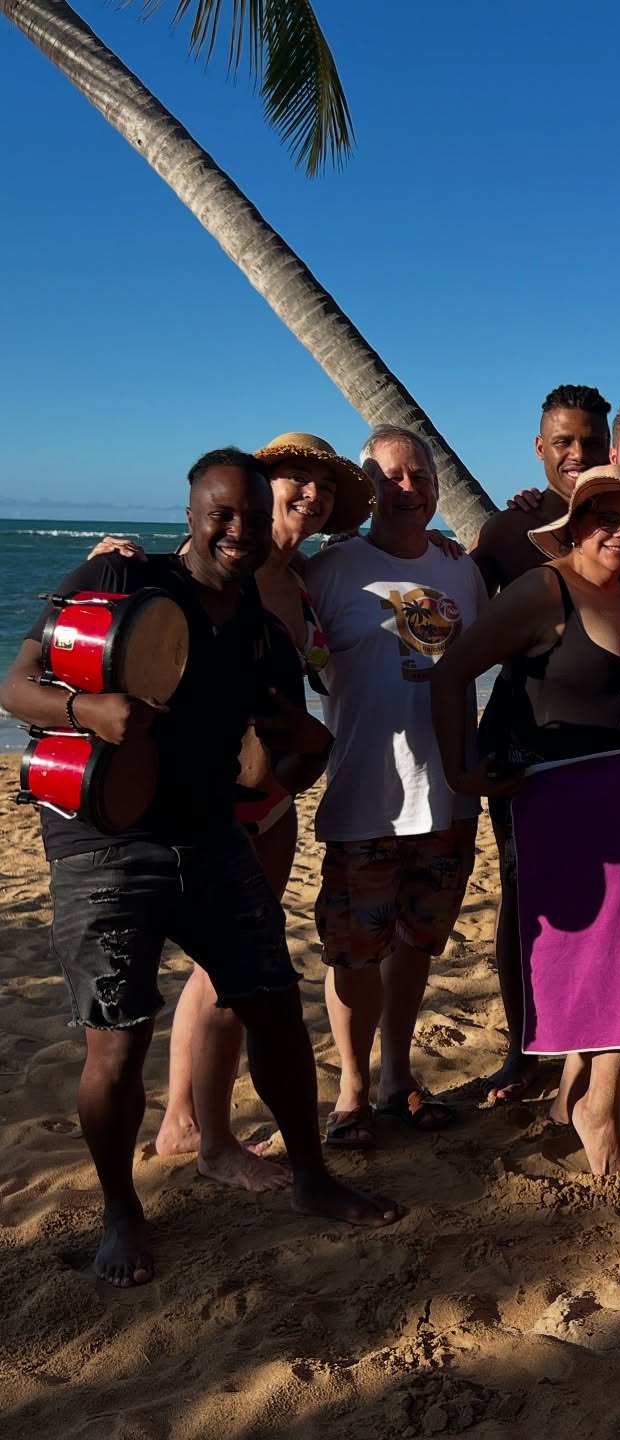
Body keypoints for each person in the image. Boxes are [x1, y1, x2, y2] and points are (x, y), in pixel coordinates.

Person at [0, 449, 401, 1286]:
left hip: (210, 833)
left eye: (253, 520)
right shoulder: (123, 580)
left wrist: (306, 746)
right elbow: (18, 686)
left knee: (275, 1009)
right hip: (104, 840)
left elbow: (273, 753)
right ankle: (120, 1212)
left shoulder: (259, 626)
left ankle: (312, 1178)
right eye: (222, 514)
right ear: (189, 514)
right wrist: (85, 709)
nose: (238, 532)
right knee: (117, 1042)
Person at [81, 431, 374, 1192]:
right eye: (296, 482)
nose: (311, 496)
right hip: (179, 809)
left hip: (264, 794)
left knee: (235, 978)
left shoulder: (301, 582)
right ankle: (204, 1131)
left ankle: (187, 1118)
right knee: (215, 982)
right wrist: (109, 562)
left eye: (326, 488)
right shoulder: (166, 570)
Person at [431, 465, 620, 1173]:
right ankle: (593, 1107)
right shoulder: (543, 590)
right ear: (575, 526)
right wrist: (460, 770)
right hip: (547, 799)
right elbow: (454, 672)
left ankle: (573, 1097)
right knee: (596, 949)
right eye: (608, 520)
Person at [305, 425, 490, 1148]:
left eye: (421, 476)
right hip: (363, 796)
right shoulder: (331, 571)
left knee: (418, 942)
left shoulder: (461, 571)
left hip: (446, 797)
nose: (408, 488)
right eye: (392, 477)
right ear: (365, 484)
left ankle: (397, 1077)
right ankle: (352, 1088)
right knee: (353, 951)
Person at [469, 385, 612, 593]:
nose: (578, 455)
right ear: (540, 448)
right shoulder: (507, 531)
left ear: (608, 450)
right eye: (563, 442)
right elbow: (463, 612)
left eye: (592, 444)